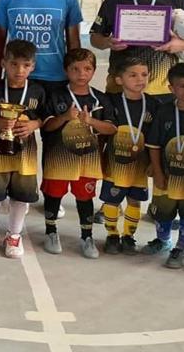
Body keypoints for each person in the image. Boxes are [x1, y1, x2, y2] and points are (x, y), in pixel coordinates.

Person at [39, 48, 116, 257]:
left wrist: (91, 121)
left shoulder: (100, 98)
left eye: (87, 69)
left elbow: (111, 129)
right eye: (75, 69)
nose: (81, 74)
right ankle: (51, 231)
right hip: (59, 157)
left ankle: (87, 236)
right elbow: (46, 127)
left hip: (88, 159)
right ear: (66, 71)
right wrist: (64, 117)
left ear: (93, 71)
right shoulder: (56, 96)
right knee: (54, 194)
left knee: (85, 197)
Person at [0, 40, 45, 258]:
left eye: (26, 65)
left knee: (21, 195)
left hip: (25, 153)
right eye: (14, 64)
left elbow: (46, 118)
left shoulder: (37, 91)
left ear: (33, 66)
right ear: (3, 63)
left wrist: (34, 124)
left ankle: (14, 235)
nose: (20, 70)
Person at [144, 63, 184, 268]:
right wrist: (157, 171)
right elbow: (153, 145)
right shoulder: (164, 112)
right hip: (167, 174)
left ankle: (181, 248)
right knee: (162, 213)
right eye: (182, 86)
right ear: (171, 88)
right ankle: (163, 241)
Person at [100, 57, 159, 255]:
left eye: (144, 74)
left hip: (140, 164)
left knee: (135, 201)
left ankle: (128, 236)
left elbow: (155, 137)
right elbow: (104, 132)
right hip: (115, 162)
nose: (139, 79)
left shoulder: (153, 104)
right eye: (132, 75)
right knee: (112, 200)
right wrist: (99, 158)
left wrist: (152, 162)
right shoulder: (112, 102)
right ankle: (112, 235)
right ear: (119, 80)